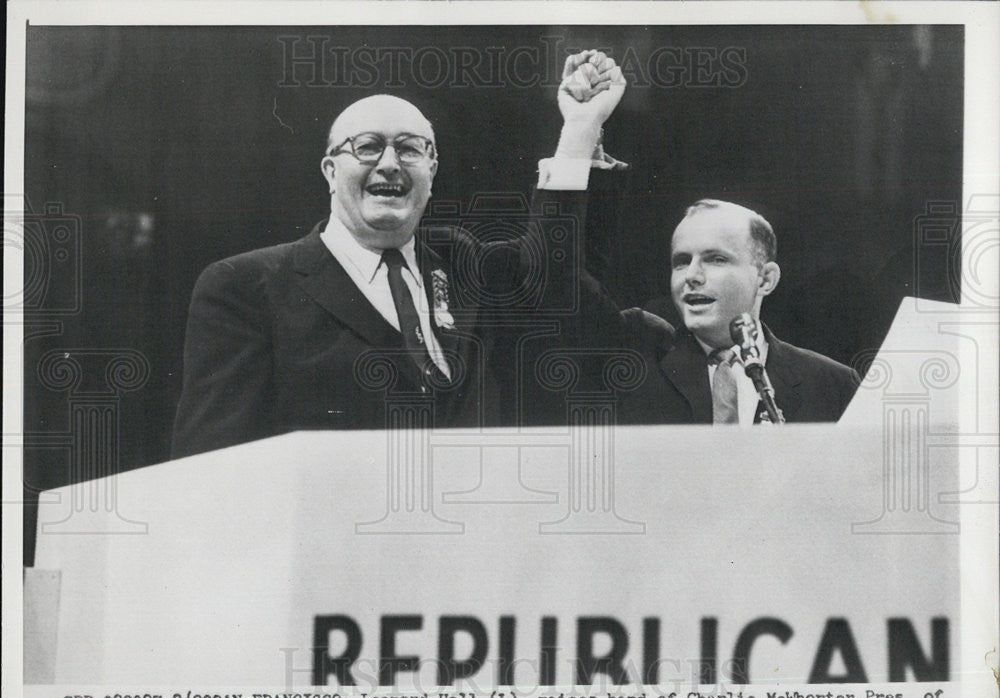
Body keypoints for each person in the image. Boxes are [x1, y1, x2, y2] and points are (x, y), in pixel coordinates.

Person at [171, 54, 627, 458]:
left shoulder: (462, 261)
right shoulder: (245, 287)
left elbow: (551, 280)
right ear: (331, 171)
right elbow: (211, 465)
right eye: (367, 146)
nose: (389, 163)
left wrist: (580, 130)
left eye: (410, 149)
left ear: (432, 171)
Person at [585, 199, 861, 424]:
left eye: (716, 259)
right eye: (681, 262)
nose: (691, 276)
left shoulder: (832, 384)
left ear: (765, 279)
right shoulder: (634, 364)